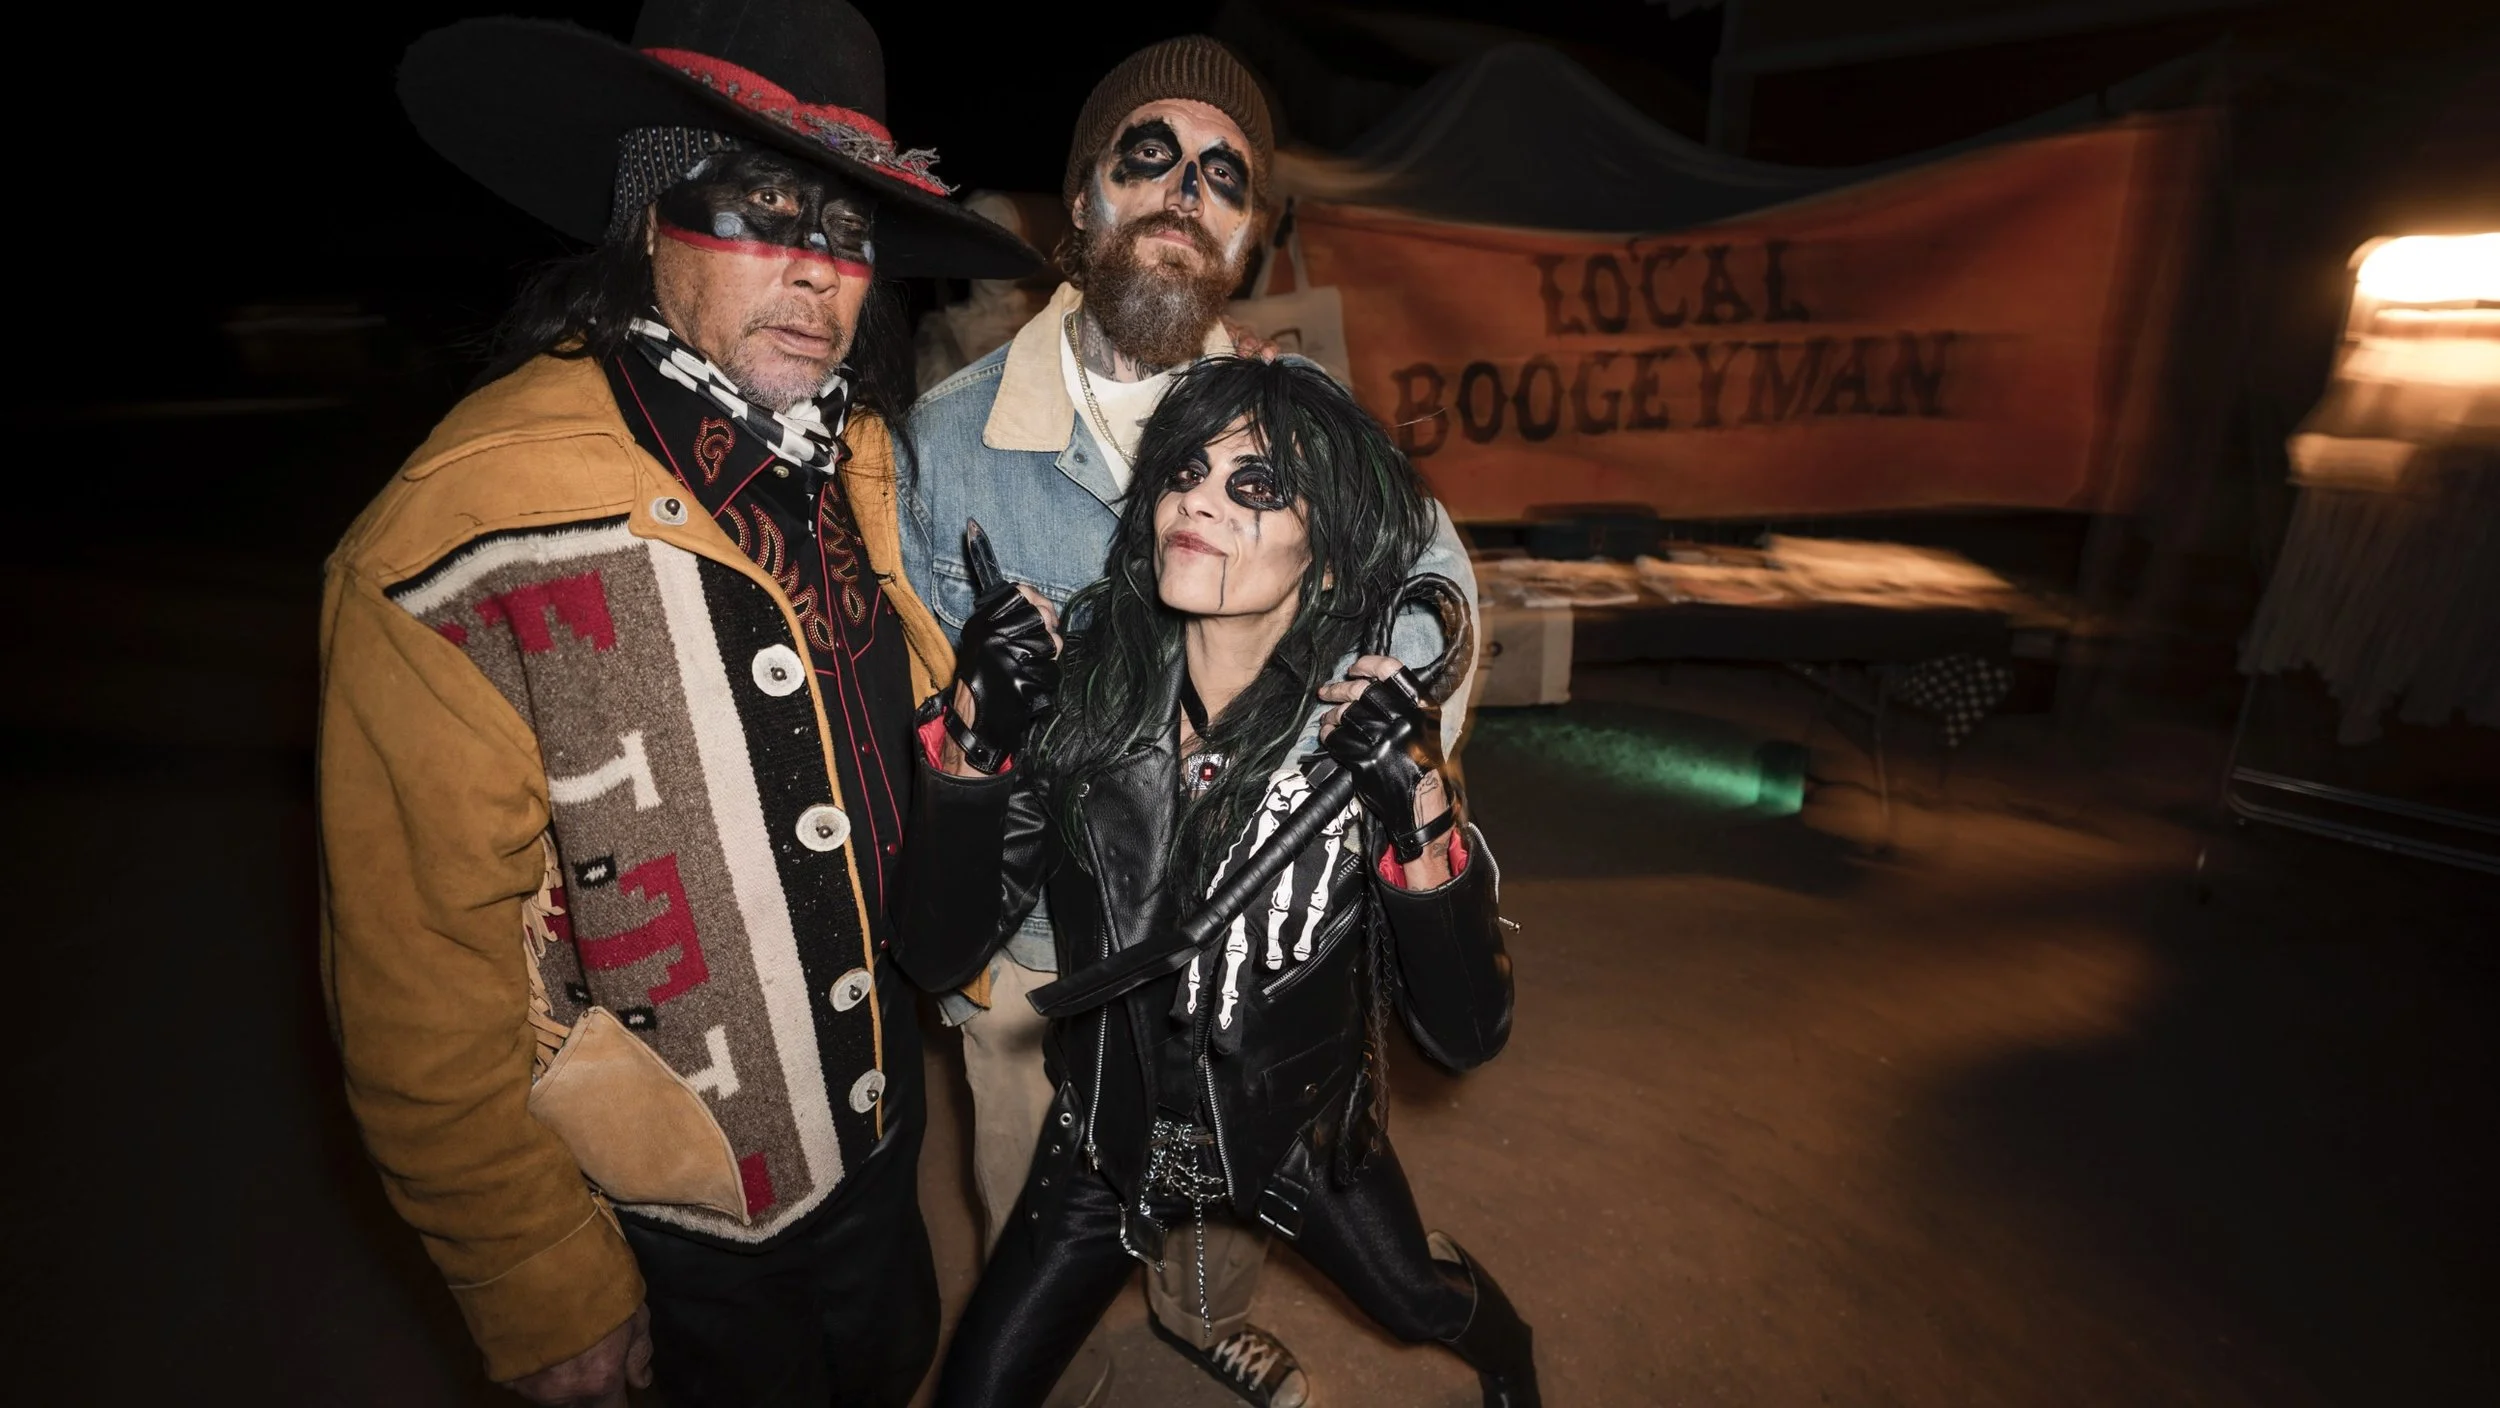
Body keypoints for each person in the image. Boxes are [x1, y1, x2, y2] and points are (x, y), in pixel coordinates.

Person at [318, 3, 1037, 1404]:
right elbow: (418, 974)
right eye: (763, 210)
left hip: (880, 1157)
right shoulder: (456, 537)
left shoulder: (867, 468)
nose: (818, 276)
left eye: (848, 232)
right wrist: (534, 1274)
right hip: (667, 1222)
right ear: (650, 216)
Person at [899, 37, 1477, 1406]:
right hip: (1046, 964)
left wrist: (1304, 774)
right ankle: (1130, 1357)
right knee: (1055, 1292)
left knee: (1219, 1208)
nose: (1184, 189)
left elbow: (1437, 597)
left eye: (1224, 175)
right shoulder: (946, 447)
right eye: (1145, 155)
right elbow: (940, 723)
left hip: (1253, 973)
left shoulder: (1310, 416)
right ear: (1082, 203)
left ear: (1251, 234)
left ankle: (1199, 1312)